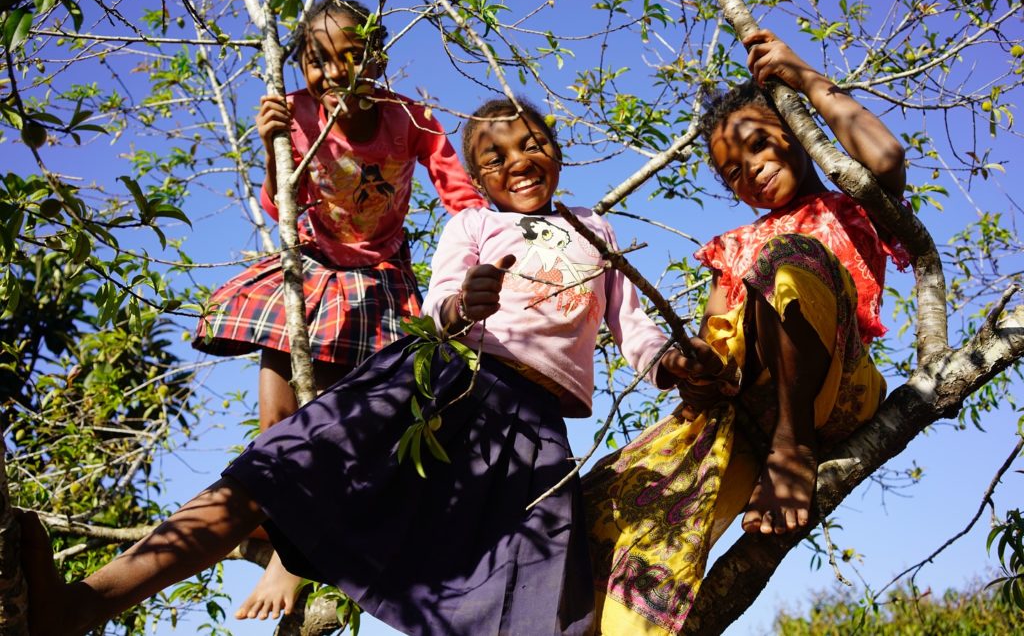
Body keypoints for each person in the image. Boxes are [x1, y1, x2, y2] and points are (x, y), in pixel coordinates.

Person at [22, 97, 691, 636]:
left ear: (558, 151)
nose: (518, 161)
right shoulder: (473, 227)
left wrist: (675, 363)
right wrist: (466, 303)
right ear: (479, 178)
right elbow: (439, 303)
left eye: (532, 144)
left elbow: (633, 327)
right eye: (495, 156)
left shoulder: (597, 231)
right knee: (276, 471)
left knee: (536, 603)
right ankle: (80, 606)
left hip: (533, 431)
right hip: (436, 385)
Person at [584, 28, 910, 634]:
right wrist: (697, 368)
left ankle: (792, 449)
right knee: (600, 510)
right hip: (741, 416)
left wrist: (802, 76)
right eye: (732, 172)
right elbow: (716, 341)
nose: (751, 171)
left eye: (760, 145)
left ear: (796, 134)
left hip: (831, 390)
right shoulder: (731, 247)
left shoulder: (850, 207)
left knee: (785, 260)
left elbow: (886, 158)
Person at [191, 0, 487, 619]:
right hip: (312, 269)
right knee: (278, 415)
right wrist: (272, 143)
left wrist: (492, 243)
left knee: (339, 419)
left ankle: (292, 557)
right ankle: (274, 526)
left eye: (349, 57)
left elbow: (457, 191)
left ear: (377, 58)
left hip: (378, 280)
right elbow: (280, 204)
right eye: (316, 60)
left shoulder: (409, 118)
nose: (332, 73)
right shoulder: (297, 111)